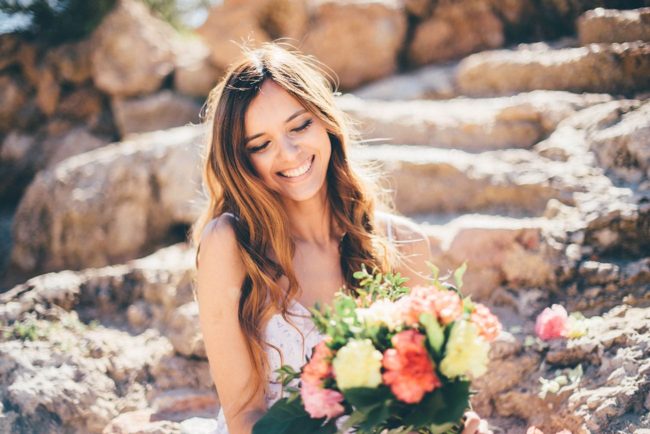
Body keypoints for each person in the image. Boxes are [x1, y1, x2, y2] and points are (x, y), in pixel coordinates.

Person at [191, 43, 491, 434]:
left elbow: (427, 393)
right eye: (261, 145)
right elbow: (244, 417)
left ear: (326, 121)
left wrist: (456, 421)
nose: (289, 153)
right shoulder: (230, 245)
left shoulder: (402, 244)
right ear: (241, 160)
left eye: (300, 126)